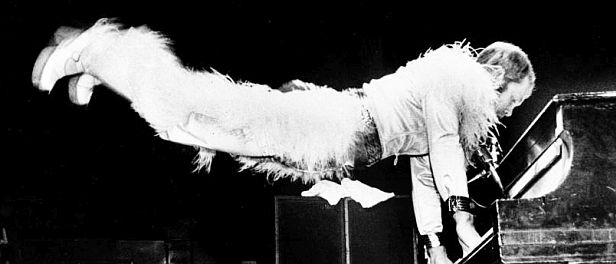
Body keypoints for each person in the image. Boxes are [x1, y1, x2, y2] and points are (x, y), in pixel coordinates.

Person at [31, 19, 535, 264]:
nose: (512, 110)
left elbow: (428, 169)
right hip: (331, 123)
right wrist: (463, 219)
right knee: (192, 115)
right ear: (497, 76)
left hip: (331, 137)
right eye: (515, 98)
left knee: (189, 125)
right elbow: (445, 148)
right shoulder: (452, 76)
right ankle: (96, 47)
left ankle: (101, 64)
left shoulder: (450, 104)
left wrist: (435, 243)